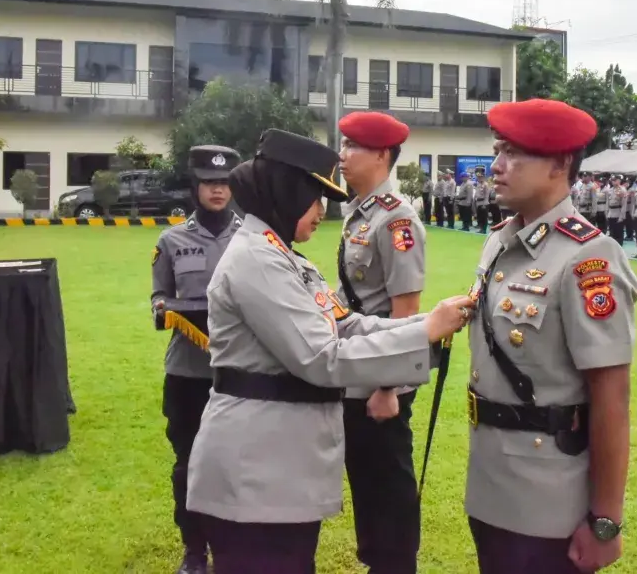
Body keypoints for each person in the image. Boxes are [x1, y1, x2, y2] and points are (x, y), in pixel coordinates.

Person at [184, 129, 471, 574]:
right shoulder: (257, 261)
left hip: (279, 467)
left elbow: (347, 322)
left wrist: (425, 323)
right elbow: (323, 358)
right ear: (286, 190)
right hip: (258, 469)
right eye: (315, 195)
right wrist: (424, 332)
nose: (322, 210)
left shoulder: (283, 256)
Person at [465, 98, 637, 574]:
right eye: (498, 151)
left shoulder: (588, 259)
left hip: (548, 495)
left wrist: (606, 519)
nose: (497, 166)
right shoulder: (500, 241)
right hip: (490, 477)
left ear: (560, 164)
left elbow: (612, 396)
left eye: (514, 154)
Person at [336, 112, 427, 574]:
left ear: (381, 155)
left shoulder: (397, 221)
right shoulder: (359, 211)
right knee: (365, 478)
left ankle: (394, 565)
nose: (343, 155)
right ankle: (378, 561)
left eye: (352, 147)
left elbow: (406, 312)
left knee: (387, 480)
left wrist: (388, 387)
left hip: (381, 381)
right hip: (357, 368)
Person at [151, 144, 243, 574]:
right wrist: (162, 308)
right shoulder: (171, 240)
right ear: (195, 186)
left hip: (240, 373)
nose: (218, 190)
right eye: (209, 182)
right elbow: (159, 296)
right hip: (188, 374)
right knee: (188, 463)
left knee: (236, 462)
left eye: (224, 182)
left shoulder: (252, 238)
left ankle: (232, 546)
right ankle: (194, 550)